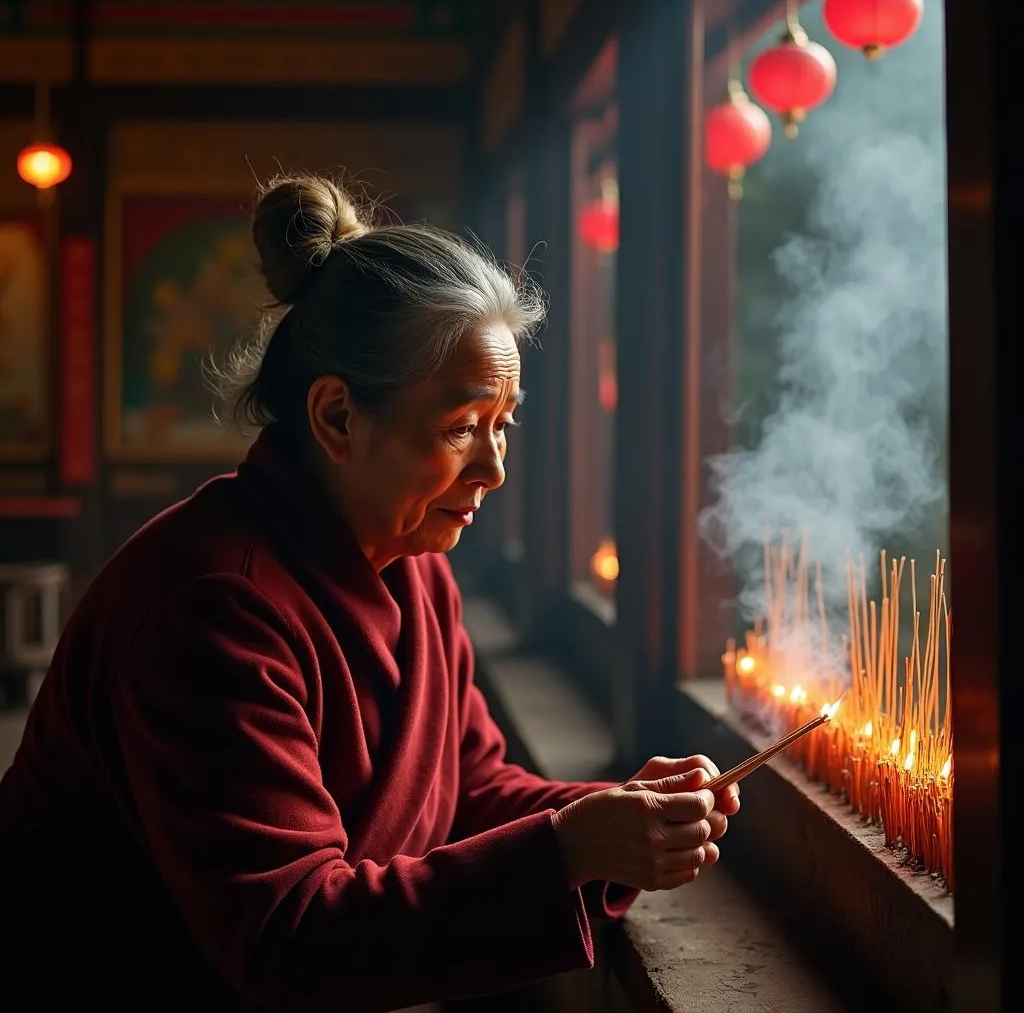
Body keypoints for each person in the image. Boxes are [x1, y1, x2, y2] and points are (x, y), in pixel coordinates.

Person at [0, 173, 740, 1011]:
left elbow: (467, 787)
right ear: (338, 418)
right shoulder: (211, 607)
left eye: (505, 424)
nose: (494, 469)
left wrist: (621, 815)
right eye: (462, 427)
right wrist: (566, 849)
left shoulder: (414, 564)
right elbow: (289, 933)